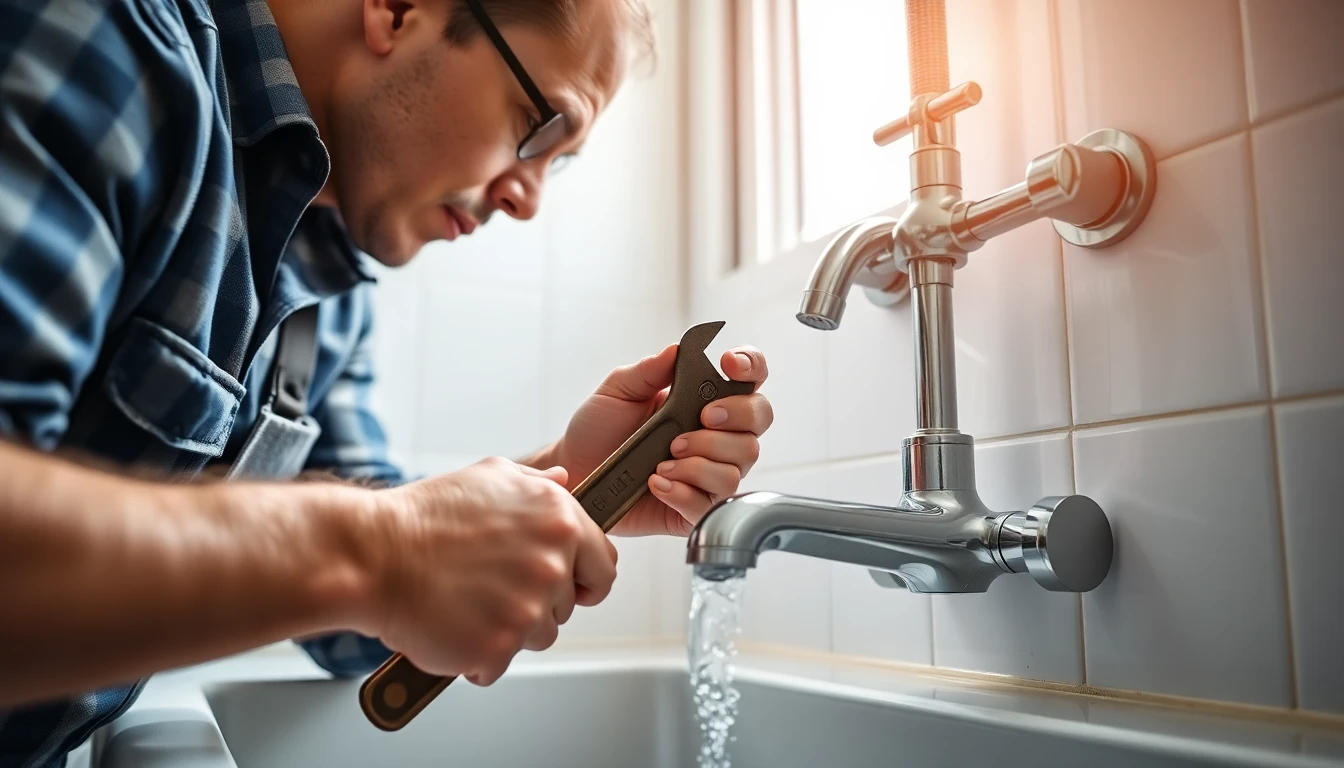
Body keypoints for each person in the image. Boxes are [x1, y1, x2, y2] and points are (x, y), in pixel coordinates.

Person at [0, 0, 775, 764]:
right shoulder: (108, 41)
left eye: (557, 163)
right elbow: (376, 556)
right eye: (540, 129)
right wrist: (387, 553)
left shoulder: (327, 284)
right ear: (399, 10)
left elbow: (351, 626)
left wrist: (572, 479)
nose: (527, 199)